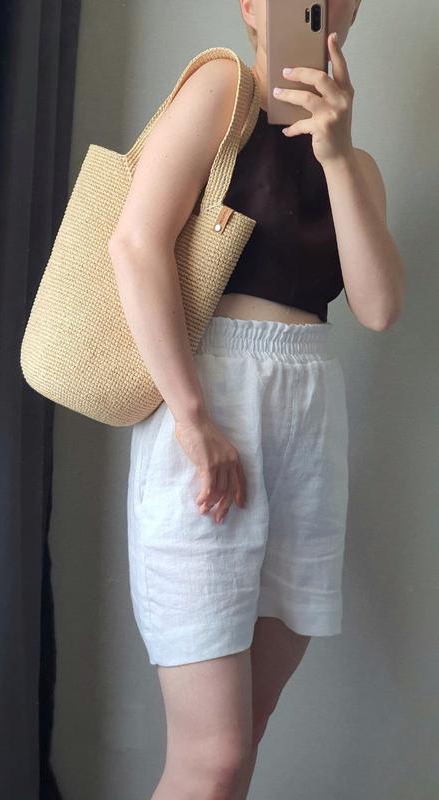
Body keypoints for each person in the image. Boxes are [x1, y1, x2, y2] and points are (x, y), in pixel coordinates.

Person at [108, 1, 405, 797]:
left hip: (308, 424)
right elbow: (134, 245)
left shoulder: (358, 165)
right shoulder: (221, 92)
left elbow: (378, 307)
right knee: (212, 756)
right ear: (250, 6)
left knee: (245, 739)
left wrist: (336, 154)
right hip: (211, 406)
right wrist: (193, 419)